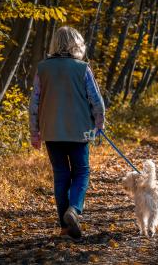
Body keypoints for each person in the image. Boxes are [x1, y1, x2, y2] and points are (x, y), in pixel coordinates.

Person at [28, 26, 105, 239]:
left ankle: (64, 227)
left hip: (51, 132)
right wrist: (99, 124)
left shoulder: (42, 68)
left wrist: (35, 133)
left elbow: (34, 104)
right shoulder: (82, 68)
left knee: (61, 175)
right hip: (81, 131)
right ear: (76, 44)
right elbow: (96, 101)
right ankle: (74, 210)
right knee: (82, 171)